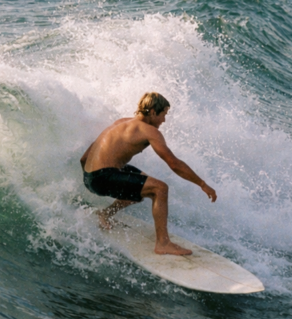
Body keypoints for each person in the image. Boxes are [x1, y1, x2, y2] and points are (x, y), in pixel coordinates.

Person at [80, 92, 216, 256]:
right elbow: (174, 163)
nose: (164, 120)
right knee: (159, 188)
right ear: (153, 111)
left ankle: (105, 214)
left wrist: (92, 179)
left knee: (144, 182)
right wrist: (202, 184)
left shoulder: (120, 122)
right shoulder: (150, 131)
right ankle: (163, 243)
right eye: (164, 114)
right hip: (103, 177)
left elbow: (85, 157)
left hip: (89, 177)